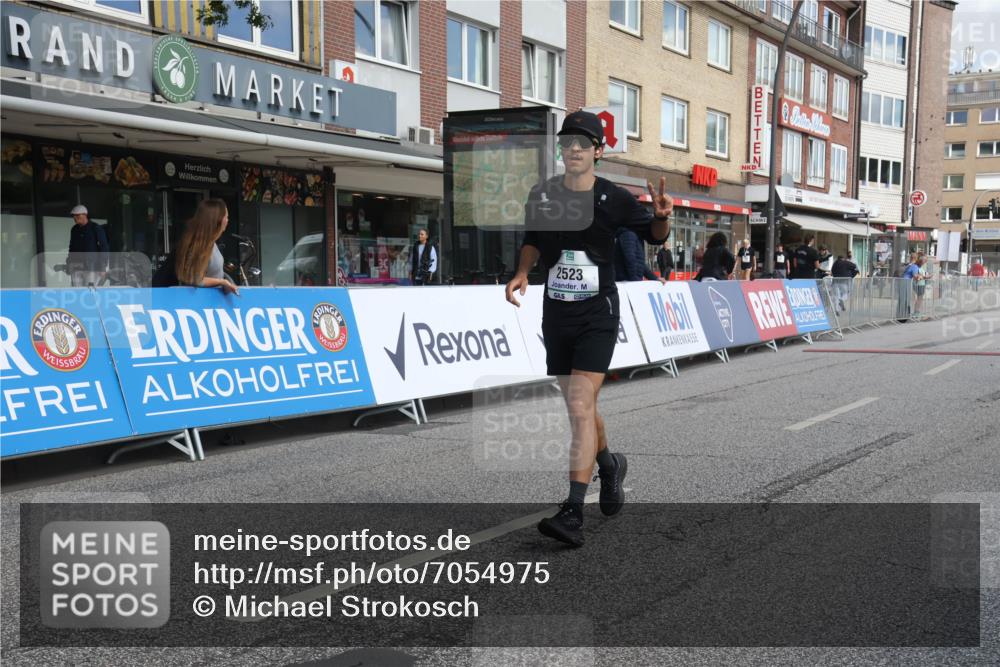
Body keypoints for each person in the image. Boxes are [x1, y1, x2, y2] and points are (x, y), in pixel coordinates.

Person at [505, 110, 672, 547]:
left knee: (580, 405)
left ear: (598, 150)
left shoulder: (613, 198)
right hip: (557, 313)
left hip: (598, 313)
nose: (573, 150)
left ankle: (574, 510)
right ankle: (609, 465)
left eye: (582, 143)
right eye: (567, 144)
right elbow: (533, 240)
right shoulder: (543, 194)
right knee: (581, 408)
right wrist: (523, 271)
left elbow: (654, 236)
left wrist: (662, 217)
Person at [174, 199, 239, 294]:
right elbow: (195, 279)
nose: (227, 220)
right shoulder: (200, 246)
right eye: (226, 217)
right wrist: (222, 282)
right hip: (200, 303)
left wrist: (226, 281)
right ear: (218, 220)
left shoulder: (211, 244)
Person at [64, 204, 109, 287]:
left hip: (92, 267)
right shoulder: (74, 229)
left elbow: (104, 247)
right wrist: (69, 263)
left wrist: (102, 267)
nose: (75, 217)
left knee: (90, 291)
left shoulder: (95, 228)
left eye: (77, 215)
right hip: (76, 266)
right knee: (77, 292)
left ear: (85, 215)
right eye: (73, 216)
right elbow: (72, 248)